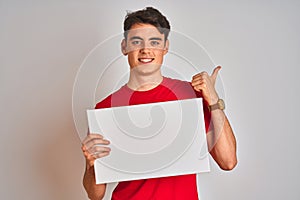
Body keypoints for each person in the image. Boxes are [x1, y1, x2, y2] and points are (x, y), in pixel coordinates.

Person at [81, 7, 237, 200]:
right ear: (124, 47)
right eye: (136, 41)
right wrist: (90, 165)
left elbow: (228, 161)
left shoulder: (191, 95)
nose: (146, 50)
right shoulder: (105, 109)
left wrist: (213, 100)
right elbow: (95, 195)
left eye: (154, 42)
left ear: (166, 47)